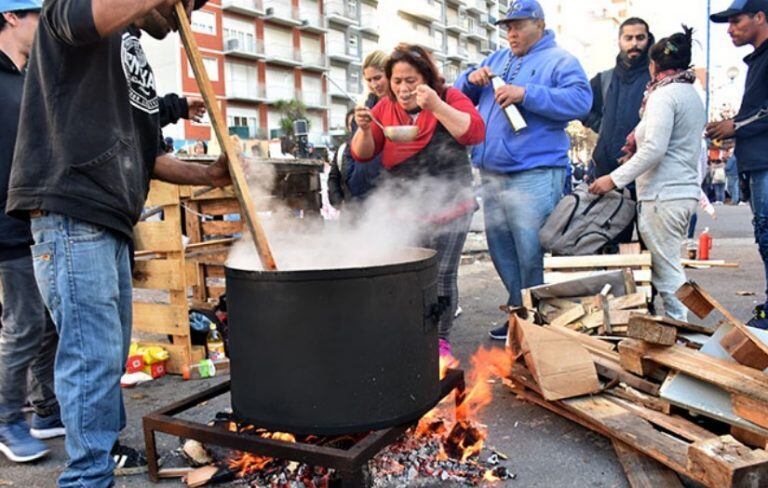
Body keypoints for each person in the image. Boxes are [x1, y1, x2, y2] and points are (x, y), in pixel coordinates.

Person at [6, 1, 234, 485]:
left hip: (110, 217)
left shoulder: (131, 55)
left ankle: (100, 459)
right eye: (186, 5)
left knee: (104, 356)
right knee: (89, 360)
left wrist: (207, 175)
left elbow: (147, 153)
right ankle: (87, 478)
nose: (183, 18)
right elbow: (83, 18)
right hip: (71, 207)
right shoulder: (73, 13)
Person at [454, 0, 592, 340]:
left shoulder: (561, 60)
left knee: (532, 250)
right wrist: (470, 80)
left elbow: (581, 102)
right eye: (507, 27)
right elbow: (459, 94)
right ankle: (520, 312)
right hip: (492, 171)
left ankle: (537, 321)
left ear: (539, 25)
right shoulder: (497, 59)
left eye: (518, 25)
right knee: (501, 247)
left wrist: (527, 94)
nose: (511, 33)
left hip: (535, 171)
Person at [350, 43, 485, 365]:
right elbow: (363, 153)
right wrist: (364, 129)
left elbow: (474, 132)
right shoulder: (384, 108)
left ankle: (440, 341)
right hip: (405, 208)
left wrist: (436, 105)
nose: (403, 88)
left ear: (426, 76)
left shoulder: (448, 97)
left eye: (410, 80)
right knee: (410, 275)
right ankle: (413, 335)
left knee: (442, 274)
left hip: (452, 203)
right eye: (396, 81)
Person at [590, 27, 706, 322]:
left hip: (662, 196)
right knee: (669, 268)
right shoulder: (689, 93)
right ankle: (683, 332)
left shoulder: (663, 96)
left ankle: (683, 337)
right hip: (678, 193)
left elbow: (653, 148)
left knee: (667, 275)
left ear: (653, 66)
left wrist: (612, 178)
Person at [0, 0, 63, 464]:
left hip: (35, 221)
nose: (46, 24)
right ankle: (5, 420)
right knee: (22, 326)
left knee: (45, 326)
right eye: (38, 15)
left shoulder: (27, 78)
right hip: (5, 225)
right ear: (10, 17)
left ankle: (45, 411)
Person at [707, 0, 768, 328]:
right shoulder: (757, 59)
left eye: (736, 20)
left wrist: (737, 126)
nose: (730, 29)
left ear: (760, 17)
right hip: (757, 161)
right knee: (764, 234)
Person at [582, 17, 654, 245]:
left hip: (647, 179)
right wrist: (601, 125)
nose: (634, 44)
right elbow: (580, 106)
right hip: (608, 177)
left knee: (651, 253)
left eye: (640, 38)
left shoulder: (658, 80)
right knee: (611, 252)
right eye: (629, 38)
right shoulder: (604, 80)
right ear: (619, 41)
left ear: (648, 40)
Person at [329, 50, 388, 209]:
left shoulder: (401, 107)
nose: (374, 84)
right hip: (360, 198)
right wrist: (350, 187)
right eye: (369, 80)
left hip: (389, 195)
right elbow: (351, 152)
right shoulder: (364, 108)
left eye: (377, 78)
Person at [328, 109, 356, 207]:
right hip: (348, 213)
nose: (355, 127)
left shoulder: (377, 147)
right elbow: (333, 178)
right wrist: (339, 202)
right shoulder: (342, 150)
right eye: (352, 124)